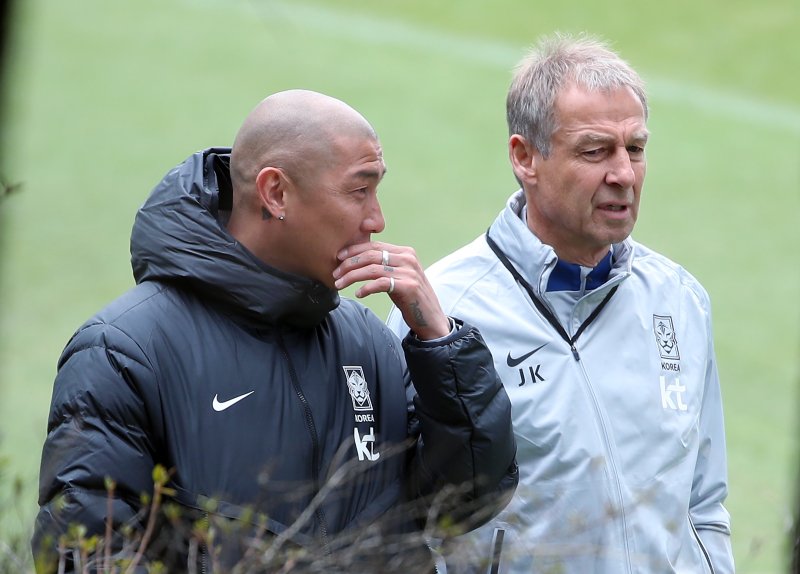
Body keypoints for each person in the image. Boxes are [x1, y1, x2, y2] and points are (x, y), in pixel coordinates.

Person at [32, 89, 518, 573]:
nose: (377, 219)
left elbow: (466, 503)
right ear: (276, 193)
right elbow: (87, 559)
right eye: (358, 190)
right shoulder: (124, 354)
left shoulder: (367, 343)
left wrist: (439, 341)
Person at [388, 33, 734, 573]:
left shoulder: (681, 300)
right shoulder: (444, 310)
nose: (623, 174)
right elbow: (407, 522)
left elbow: (704, 503)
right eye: (595, 151)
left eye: (635, 148)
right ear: (525, 157)